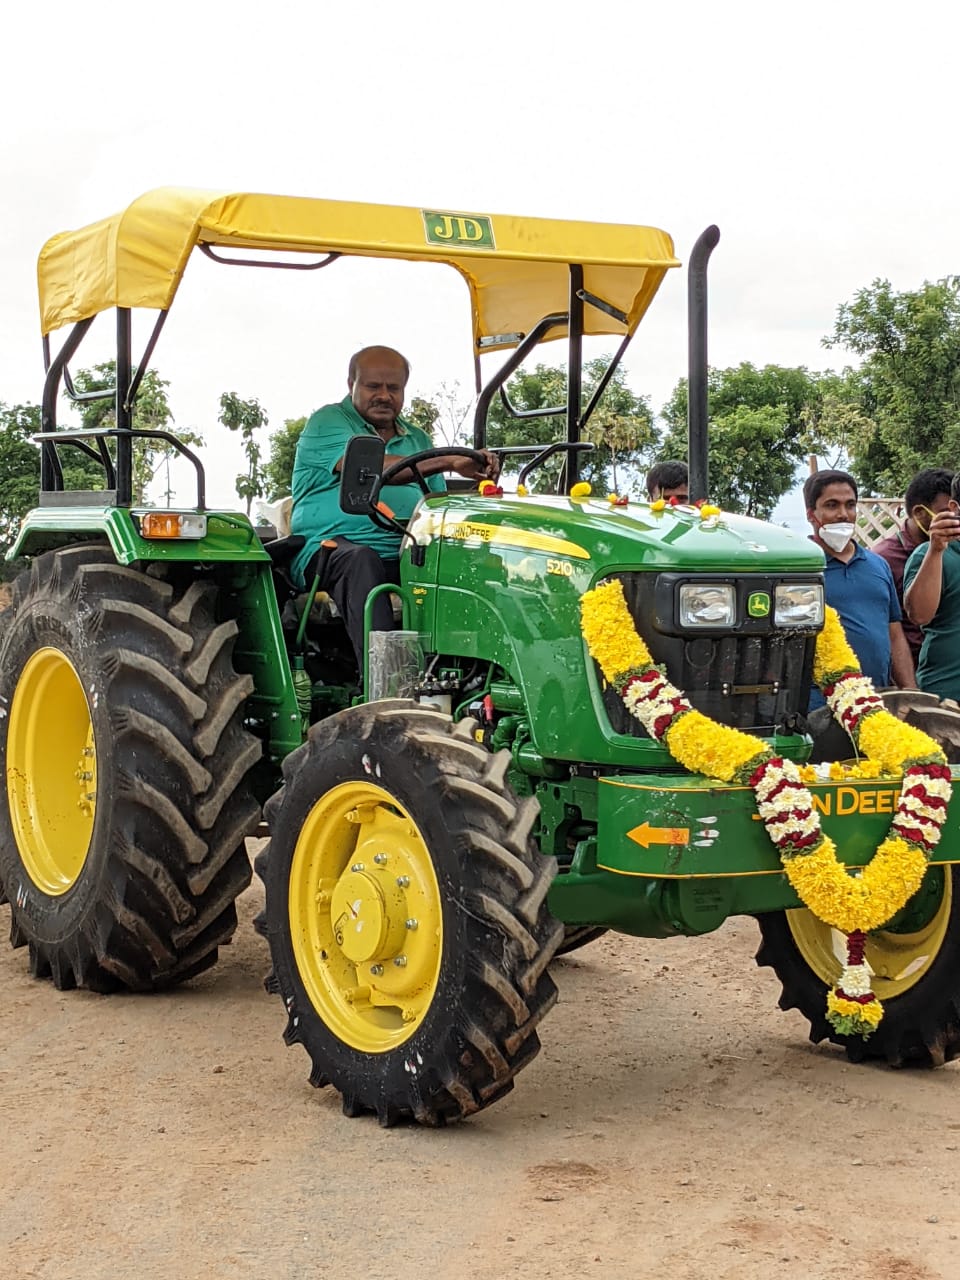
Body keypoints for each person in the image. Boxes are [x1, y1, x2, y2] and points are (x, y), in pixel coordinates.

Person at [290, 345, 499, 665]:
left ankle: (470, 674)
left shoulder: (417, 439)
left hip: (404, 553)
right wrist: (448, 461)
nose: (384, 395)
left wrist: (476, 477)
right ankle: (388, 681)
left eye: (394, 388)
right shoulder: (328, 422)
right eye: (373, 386)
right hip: (329, 554)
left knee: (470, 559)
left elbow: (436, 505)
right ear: (352, 385)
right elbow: (369, 469)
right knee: (361, 559)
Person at [803, 469, 914, 709]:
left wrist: (910, 693)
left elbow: (894, 634)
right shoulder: (801, 571)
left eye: (850, 505)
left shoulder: (877, 565)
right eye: (832, 505)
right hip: (820, 704)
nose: (843, 514)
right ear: (811, 514)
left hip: (878, 701)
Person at [873, 468, 954, 665]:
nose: (954, 520)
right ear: (920, 513)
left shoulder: (953, 552)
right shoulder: (884, 560)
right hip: (912, 672)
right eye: (946, 514)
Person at [903, 472, 960, 702]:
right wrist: (936, 549)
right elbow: (919, 615)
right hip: (947, 699)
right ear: (954, 507)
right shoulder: (932, 555)